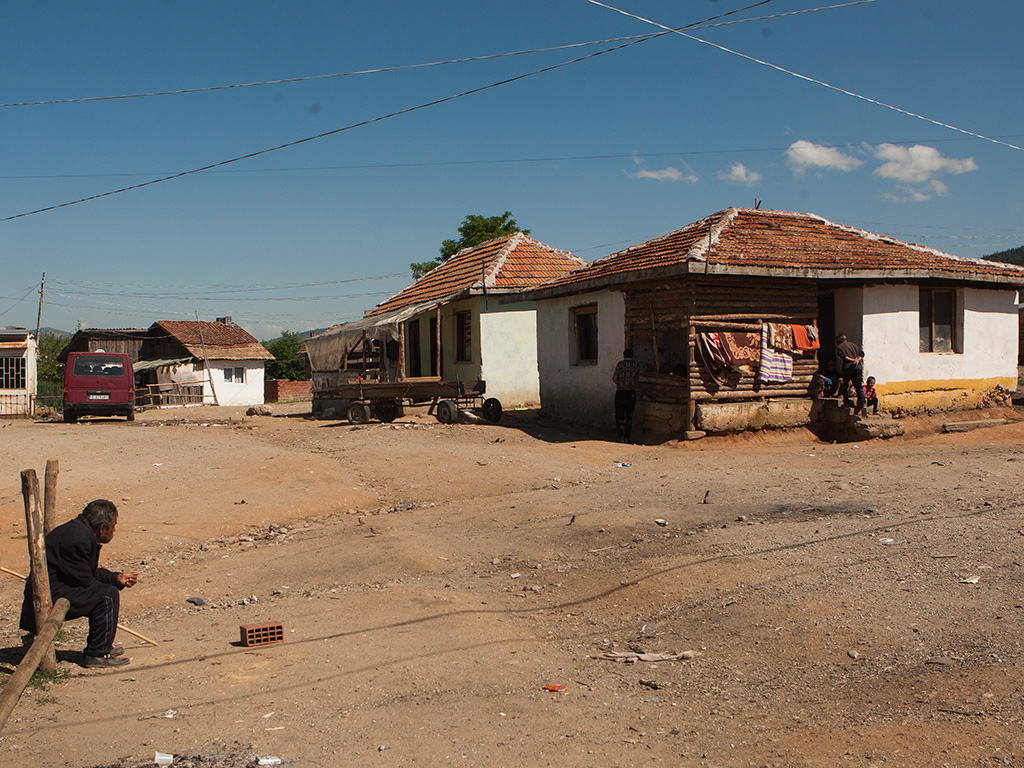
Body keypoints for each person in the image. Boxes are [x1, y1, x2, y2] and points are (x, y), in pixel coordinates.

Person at [20, 499, 139, 668]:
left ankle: (103, 647)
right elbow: (86, 580)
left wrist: (116, 577)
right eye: (113, 526)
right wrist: (110, 585)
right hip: (49, 594)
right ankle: (97, 653)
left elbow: (85, 571)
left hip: (59, 585)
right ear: (102, 527)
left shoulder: (79, 531)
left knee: (107, 591)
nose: (114, 530)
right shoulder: (78, 538)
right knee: (107, 596)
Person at [612, 348, 642, 442]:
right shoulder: (636, 365)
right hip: (631, 392)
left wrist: (621, 383)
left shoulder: (620, 365)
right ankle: (627, 436)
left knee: (620, 413)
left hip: (621, 392)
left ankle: (620, 435)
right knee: (629, 414)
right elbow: (637, 378)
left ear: (624, 355)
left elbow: (615, 378)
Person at [835, 334, 866, 413]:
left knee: (845, 384)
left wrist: (852, 360)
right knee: (858, 386)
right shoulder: (854, 345)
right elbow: (862, 353)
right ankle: (862, 401)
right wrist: (858, 359)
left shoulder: (839, 348)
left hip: (848, 368)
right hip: (857, 368)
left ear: (838, 341)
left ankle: (846, 400)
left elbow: (844, 357)